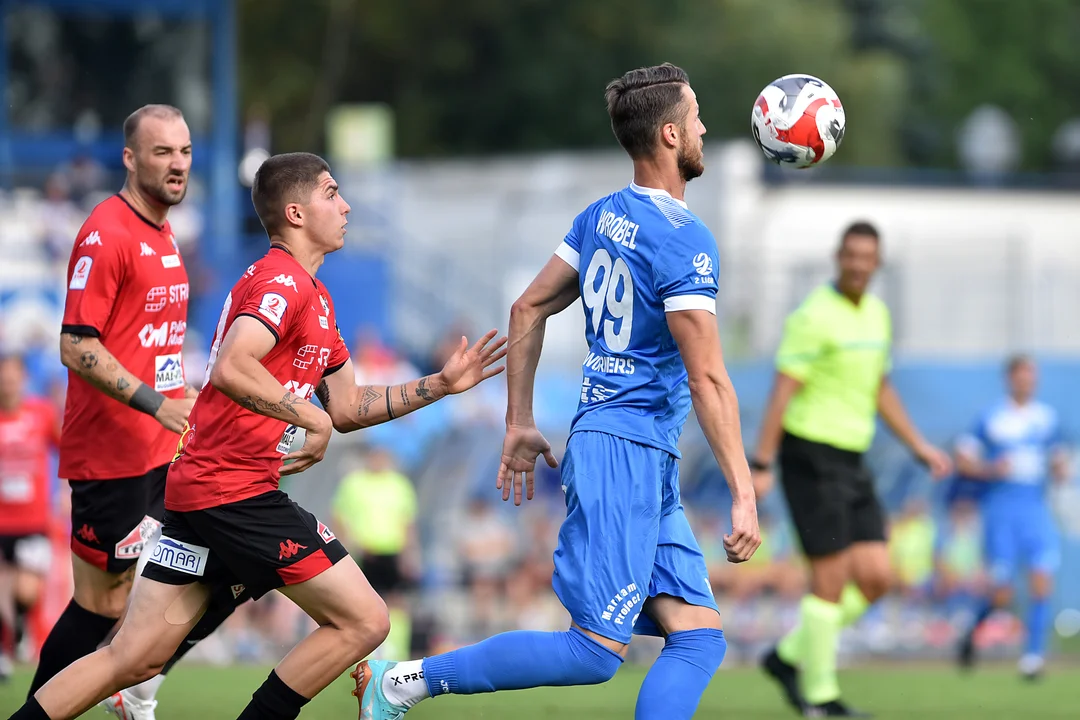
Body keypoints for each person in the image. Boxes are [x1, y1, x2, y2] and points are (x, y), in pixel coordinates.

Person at [6, 151, 507, 720]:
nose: (345, 206)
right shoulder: (280, 281)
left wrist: (439, 385)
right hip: (233, 492)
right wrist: (310, 417)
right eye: (331, 193)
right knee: (365, 620)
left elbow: (346, 406)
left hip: (206, 489)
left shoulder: (315, 297)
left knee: (132, 659)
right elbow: (233, 365)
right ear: (295, 213)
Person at [356, 62, 761, 720]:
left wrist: (519, 420)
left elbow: (528, 307)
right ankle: (404, 681)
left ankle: (404, 681)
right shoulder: (685, 241)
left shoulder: (601, 217)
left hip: (637, 451)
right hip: (624, 451)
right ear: (669, 134)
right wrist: (743, 491)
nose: (704, 129)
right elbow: (708, 376)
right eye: (695, 118)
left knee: (698, 636)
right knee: (593, 652)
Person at [28, 105, 199, 713]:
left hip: (158, 447)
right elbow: (76, 345)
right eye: (162, 152)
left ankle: (134, 691)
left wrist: (182, 394)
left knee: (186, 577)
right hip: (112, 455)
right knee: (100, 604)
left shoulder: (164, 232)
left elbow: (148, 343)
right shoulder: (107, 232)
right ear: (130, 158)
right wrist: (156, 404)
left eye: (184, 151)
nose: (177, 164)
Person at [751, 221, 952, 717]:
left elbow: (880, 387)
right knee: (831, 577)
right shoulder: (813, 315)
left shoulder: (877, 317)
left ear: (877, 263)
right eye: (851, 255)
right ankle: (821, 697)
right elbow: (782, 391)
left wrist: (918, 446)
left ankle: (786, 657)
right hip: (810, 455)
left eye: (867, 257)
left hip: (852, 459)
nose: (859, 265)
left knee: (879, 577)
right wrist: (762, 462)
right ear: (838, 258)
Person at [953, 354, 1069, 680]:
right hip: (1001, 509)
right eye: (1021, 375)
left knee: (1042, 580)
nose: (1027, 381)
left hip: (1035, 507)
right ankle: (971, 632)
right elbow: (963, 459)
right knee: (1002, 593)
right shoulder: (992, 417)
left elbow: (1059, 458)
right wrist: (989, 469)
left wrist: (1060, 469)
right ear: (1010, 379)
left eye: (1031, 375)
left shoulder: (1046, 417)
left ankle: (1032, 658)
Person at [0, 354, 60, 679]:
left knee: (26, 591)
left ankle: (20, 623)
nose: (8, 382)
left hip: (33, 521)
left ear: (24, 379)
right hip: (1, 521)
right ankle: (4, 651)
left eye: (13, 375)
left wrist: (69, 491)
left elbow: (66, 448)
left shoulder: (41, 413)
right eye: (3, 376)